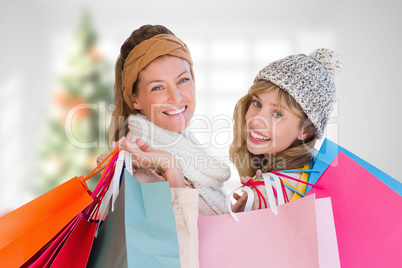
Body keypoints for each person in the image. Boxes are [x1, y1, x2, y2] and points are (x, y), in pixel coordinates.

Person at [96, 24, 231, 267]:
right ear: (134, 99)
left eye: (183, 80)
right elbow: (175, 258)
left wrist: (240, 214)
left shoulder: (193, 160)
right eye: (158, 87)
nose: (177, 97)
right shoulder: (140, 177)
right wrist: (171, 169)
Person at [230, 48, 343, 210]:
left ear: (306, 130)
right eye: (257, 103)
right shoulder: (310, 175)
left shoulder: (268, 195)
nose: (257, 120)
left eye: (277, 114)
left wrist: (241, 216)